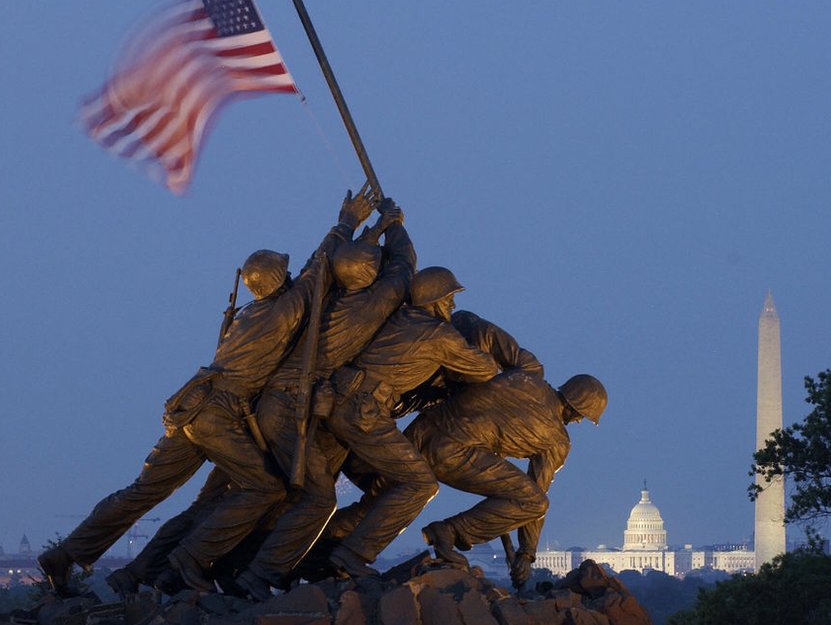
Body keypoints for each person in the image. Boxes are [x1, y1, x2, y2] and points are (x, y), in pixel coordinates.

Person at [37, 190, 375, 596]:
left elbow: (307, 273)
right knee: (264, 488)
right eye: (284, 273)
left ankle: (67, 554)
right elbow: (317, 270)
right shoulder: (283, 312)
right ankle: (192, 558)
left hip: (191, 407)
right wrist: (345, 222)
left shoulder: (249, 313)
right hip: (219, 413)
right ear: (279, 281)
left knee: (142, 492)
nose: (289, 275)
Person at [232, 197, 416, 598]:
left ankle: (259, 567)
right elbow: (403, 268)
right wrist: (395, 226)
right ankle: (258, 574)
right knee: (318, 499)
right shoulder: (371, 305)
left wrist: (358, 227)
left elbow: (324, 262)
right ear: (371, 275)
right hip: (289, 407)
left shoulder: (317, 296)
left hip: (279, 404)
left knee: (294, 493)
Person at [323, 267, 500, 577]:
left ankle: (320, 551)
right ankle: (352, 554)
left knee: (386, 488)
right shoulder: (438, 334)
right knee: (420, 484)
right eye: (449, 300)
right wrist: (476, 339)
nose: (452, 307)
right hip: (364, 412)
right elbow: (485, 370)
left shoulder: (399, 319)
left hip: (344, 403)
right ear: (433, 300)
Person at [412, 370, 606, 588]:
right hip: (450, 451)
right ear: (574, 407)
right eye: (582, 415)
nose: (579, 421)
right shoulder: (556, 439)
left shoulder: (526, 379)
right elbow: (535, 495)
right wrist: (526, 554)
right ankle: (447, 532)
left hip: (422, 428)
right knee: (534, 501)